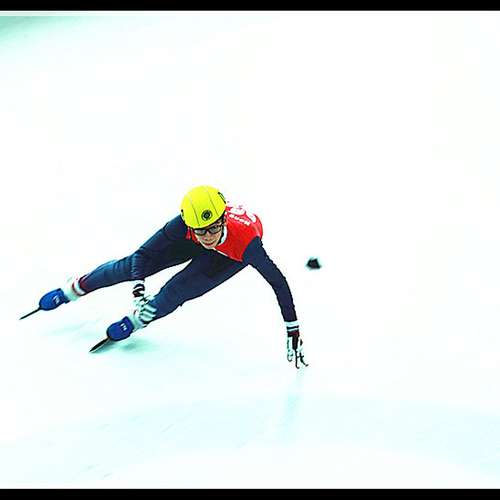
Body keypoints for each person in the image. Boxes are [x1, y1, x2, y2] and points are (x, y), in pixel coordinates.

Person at [35, 185, 308, 368]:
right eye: (200, 231)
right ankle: (75, 288)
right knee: (129, 267)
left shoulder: (249, 246)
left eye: (212, 229)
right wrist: (138, 288)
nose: (207, 237)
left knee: (176, 291)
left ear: (223, 220)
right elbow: (142, 255)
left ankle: (138, 320)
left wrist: (292, 328)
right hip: (192, 241)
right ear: (189, 225)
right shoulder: (184, 226)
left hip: (230, 254)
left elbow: (278, 283)